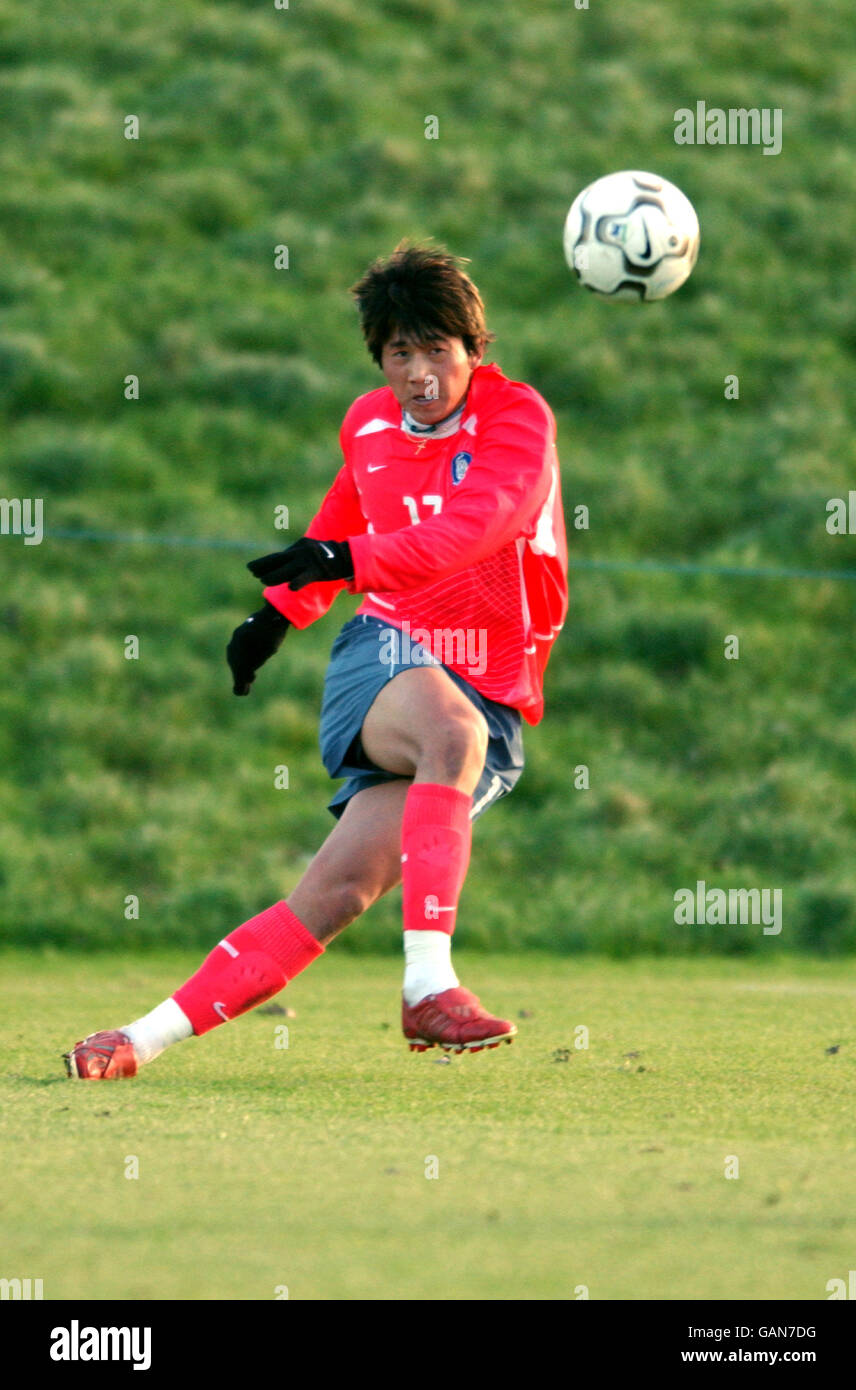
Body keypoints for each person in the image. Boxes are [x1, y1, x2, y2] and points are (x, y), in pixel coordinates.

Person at [64, 243, 568, 1079]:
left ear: (474, 351)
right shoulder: (368, 421)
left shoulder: (517, 420)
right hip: (387, 651)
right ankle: (429, 988)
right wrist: (274, 617)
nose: (419, 374)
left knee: (334, 897)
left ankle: (135, 1039)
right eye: (400, 353)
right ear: (380, 358)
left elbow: (478, 524)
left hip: (493, 684)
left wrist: (342, 562)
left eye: (437, 350)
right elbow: (340, 522)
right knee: (451, 735)